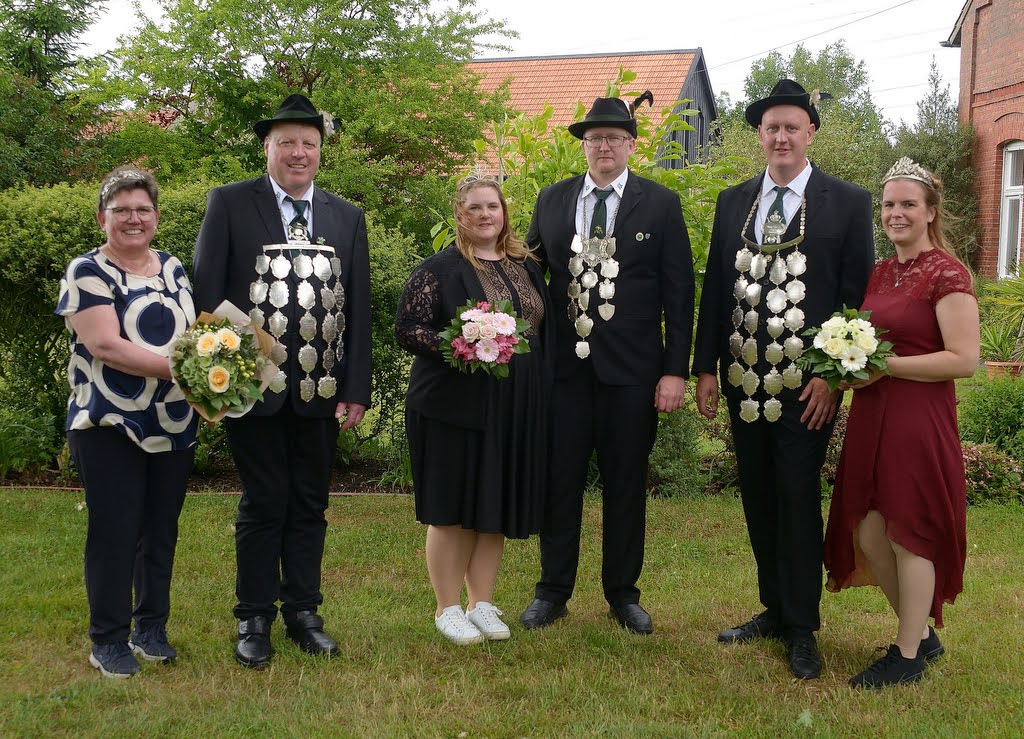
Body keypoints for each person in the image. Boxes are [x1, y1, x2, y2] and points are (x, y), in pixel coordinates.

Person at [692, 79, 875, 679]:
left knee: (796, 497)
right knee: (759, 498)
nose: (781, 136)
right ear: (760, 135)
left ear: (810, 132)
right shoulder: (733, 200)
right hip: (744, 380)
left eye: (792, 126)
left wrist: (833, 377)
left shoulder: (846, 202)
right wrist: (704, 368)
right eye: (771, 127)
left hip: (806, 388)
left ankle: (802, 627)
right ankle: (773, 607)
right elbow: (716, 288)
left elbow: (855, 299)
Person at [192, 93, 371, 668]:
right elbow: (206, 296)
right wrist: (227, 378)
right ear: (266, 146)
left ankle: (303, 611)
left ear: (322, 150)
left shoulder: (346, 216)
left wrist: (355, 388)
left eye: (309, 143)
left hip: (321, 391)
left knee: (311, 503)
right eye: (287, 142)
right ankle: (253, 616)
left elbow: (359, 310)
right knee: (265, 500)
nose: (299, 153)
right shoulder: (230, 204)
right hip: (252, 387)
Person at [519, 93, 694, 635]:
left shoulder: (660, 203)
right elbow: (526, 276)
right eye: (594, 138)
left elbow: (679, 293)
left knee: (624, 485)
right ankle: (553, 590)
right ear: (584, 146)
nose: (603, 146)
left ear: (631, 145)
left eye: (614, 138)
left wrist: (674, 370)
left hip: (633, 377)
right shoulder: (552, 200)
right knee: (560, 483)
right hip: (562, 374)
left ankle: (622, 593)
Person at [824, 158, 979, 689]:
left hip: (917, 417)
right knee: (869, 531)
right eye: (889, 205)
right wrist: (846, 363)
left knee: (909, 532)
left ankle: (908, 653)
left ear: (930, 212)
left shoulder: (948, 273)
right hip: (872, 414)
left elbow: (963, 359)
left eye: (908, 204)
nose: (896, 213)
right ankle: (922, 635)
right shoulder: (882, 271)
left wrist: (883, 366)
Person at [395, 174, 553, 645]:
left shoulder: (525, 265)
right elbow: (407, 329)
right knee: (453, 505)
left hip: (514, 405)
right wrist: (463, 340)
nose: (486, 215)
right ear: (460, 216)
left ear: (504, 213)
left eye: (494, 206)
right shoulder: (437, 270)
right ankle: (447, 608)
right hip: (453, 406)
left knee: (493, 499)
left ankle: (482, 603)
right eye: (475, 208)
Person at [56, 166, 199, 678]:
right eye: (121, 211)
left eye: (143, 209)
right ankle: (109, 638)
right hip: (109, 421)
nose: (133, 219)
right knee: (115, 531)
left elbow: (194, 334)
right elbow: (105, 345)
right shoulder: (87, 271)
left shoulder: (173, 267)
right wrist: (193, 373)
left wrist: (215, 365)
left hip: (174, 420)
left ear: (156, 216)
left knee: (160, 531)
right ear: (102, 219)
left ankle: (151, 628)